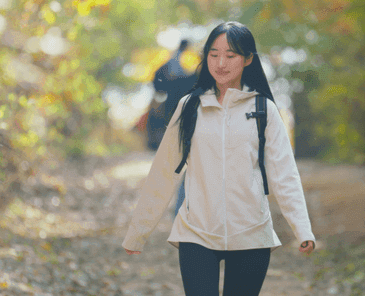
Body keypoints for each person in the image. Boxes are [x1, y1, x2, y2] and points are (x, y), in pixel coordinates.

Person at [122, 21, 315, 296]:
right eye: (213, 55)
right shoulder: (189, 107)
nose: (220, 63)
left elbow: (284, 174)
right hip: (196, 234)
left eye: (230, 55)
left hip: (252, 235)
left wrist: (303, 229)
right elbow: (163, 173)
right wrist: (138, 232)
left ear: (248, 59)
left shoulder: (264, 109)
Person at [145, 39, 197, 217]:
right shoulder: (179, 68)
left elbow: (160, 83)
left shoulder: (175, 66)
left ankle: (180, 213)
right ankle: (181, 214)